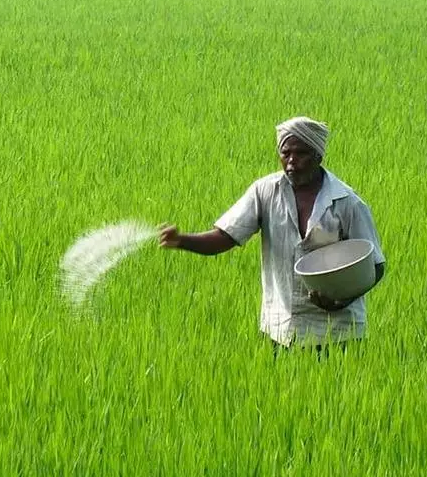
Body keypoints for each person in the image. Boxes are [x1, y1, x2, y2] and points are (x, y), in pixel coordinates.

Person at [158, 116, 386, 352]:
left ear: (318, 156)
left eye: (301, 153)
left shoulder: (347, 203)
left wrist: (341, 301)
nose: (291, 161)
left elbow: (376, 265)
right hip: (281, 330)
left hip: (338, 333)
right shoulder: (265, 192)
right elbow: (224, 237)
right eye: (286, 153)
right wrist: (182, 240)